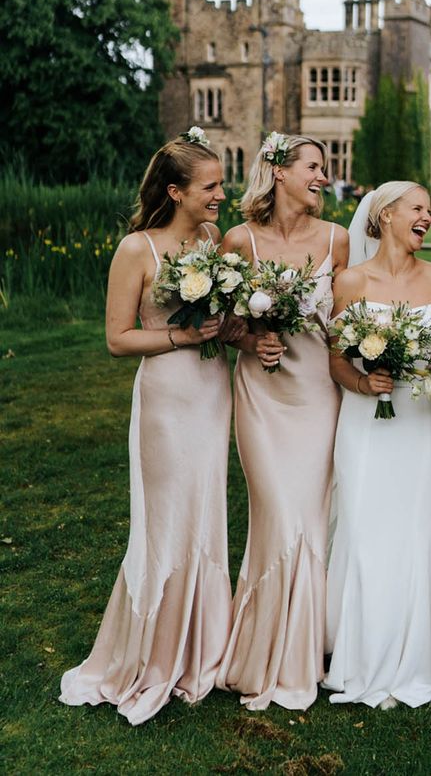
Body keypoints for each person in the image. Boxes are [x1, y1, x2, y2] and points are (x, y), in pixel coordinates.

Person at [60, 129, 233, 725]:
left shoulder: (213, 240)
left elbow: (222, 319)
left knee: (206, 509)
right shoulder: (138, 249)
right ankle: (152, 654)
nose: (220, 195)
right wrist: (182, 336)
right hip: (166, 397)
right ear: (176, 190)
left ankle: (203, 648)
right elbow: (117, 338)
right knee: (165, 518)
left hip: (214, 392)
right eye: (210, 186)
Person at [216, 134, 349, 710]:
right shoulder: (238, 240)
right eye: (314, 167)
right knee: (276, 512)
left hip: (319, 394)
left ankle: (308, 645)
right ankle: (264, 643)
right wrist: (252, 339)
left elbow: (350, 324)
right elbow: (217, 323)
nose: (324, 176)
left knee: (312, 519)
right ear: (278, 172)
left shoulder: (338, 241)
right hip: (263, 396)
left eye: (324, 168)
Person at [323, 181, 431, 709]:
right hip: (365, 422)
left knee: (414, 530)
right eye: (418, 209)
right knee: (363, 527)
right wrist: (363, 383)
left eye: (430, 210)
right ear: (386, 215)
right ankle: (358, 655)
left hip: (420, 423)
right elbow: (336, 361)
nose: (428, 217)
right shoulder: (350, 281)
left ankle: (415, 655)